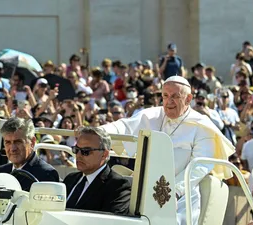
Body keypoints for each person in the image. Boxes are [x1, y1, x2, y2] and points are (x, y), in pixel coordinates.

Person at [101, 75, 235, 225]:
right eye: (165, 96)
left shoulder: (202, 126)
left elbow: (198, 167)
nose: (169, 101)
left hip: (182, 193)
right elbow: (123, 126)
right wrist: (98, 132)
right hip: (145, 187)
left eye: (175, 96)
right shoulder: (151, 115)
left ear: (188, 98)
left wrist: (174, 192)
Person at [64, 127, 131, 214]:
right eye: (76, 150)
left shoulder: (117, 186)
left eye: (85, 151)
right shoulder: (70, 179)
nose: (78, 155)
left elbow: (112, 221)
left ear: (104, 154)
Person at [0, 117, 59, 191]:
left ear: (32, 142)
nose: (13, 148)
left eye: (18, 142)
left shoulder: (46, 175)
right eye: (8, 142)